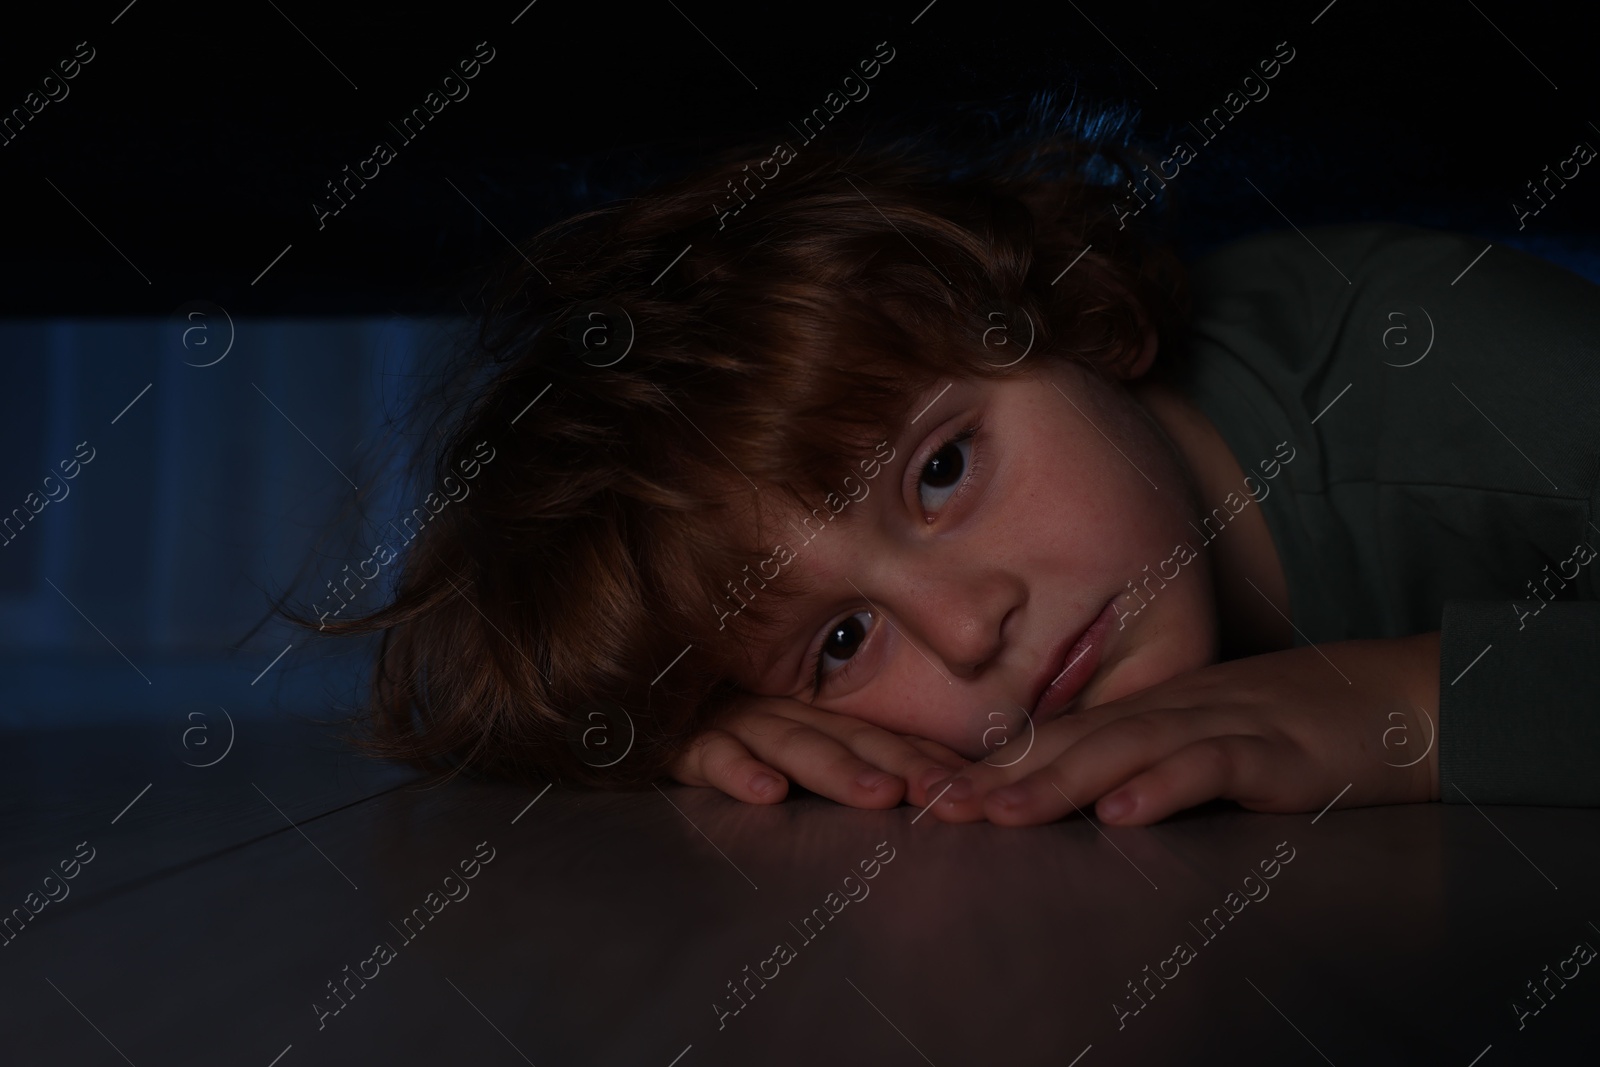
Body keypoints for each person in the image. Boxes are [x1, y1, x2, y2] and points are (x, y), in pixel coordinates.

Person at [304, 94, 1600, 827]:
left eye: (938, 474)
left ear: (1074, 314)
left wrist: (1428, 709)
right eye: (844, 643)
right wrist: (691, 718)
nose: (971, 629)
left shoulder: (1466, 385)